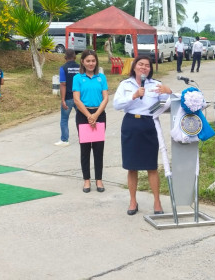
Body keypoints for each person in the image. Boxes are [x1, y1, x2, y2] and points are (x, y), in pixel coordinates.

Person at [113, 55, 173, 215]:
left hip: (149, 124)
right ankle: (133, 201)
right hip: (131, 124)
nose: (144, 67)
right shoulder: (125, 85)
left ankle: (157, 202)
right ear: (134, 67)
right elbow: (116, 104)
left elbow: (167, 104)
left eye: (147, 65)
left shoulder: (156, 85)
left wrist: (168, 92)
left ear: (150, 69)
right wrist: (133, 95)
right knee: (131, 167)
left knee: (151, 166)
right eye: (140, 64)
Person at [72, 50, 109, 193]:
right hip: (83, 115)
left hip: (99, 114)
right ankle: (86, 180)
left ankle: (99, 179)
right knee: (85, 149)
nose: (91, 63)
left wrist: (96, 115)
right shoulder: (77, 78)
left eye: (93, 61)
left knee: (99, 148)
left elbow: (105, 97)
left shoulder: (102, 77)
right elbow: (76, 99)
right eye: (88, 61)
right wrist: (89, 115)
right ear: (82, 61)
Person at [54, 49, 80, 146]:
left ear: (65, 57)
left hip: (68, 97)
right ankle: (83, 138)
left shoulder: (63, 68)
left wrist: (63, 99)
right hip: (79, 98)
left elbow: (63, 84)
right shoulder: (80, 67)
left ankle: (64, 140)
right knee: (81, 118)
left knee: (64, 119)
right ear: (75, 57)